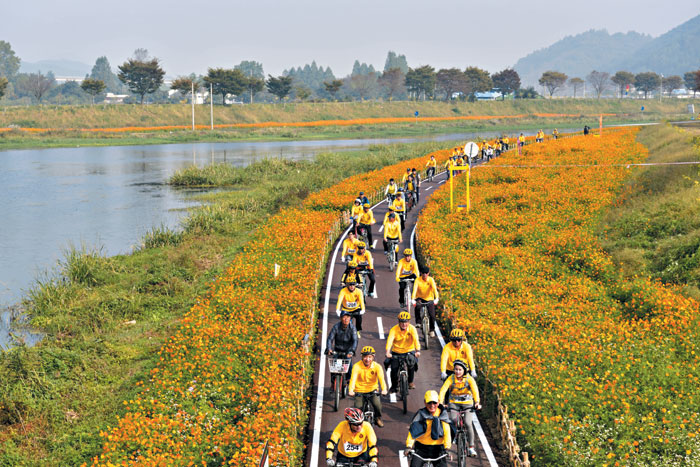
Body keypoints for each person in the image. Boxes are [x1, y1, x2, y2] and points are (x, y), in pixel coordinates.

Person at [438, 360, 480, 458]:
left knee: (468, 422)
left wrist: (477, 402)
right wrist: (440, 402)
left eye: (460, 370)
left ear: (464, 371)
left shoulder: (469, 379)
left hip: (467, 404)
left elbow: (475, 390)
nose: (457, 372)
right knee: (453, 419)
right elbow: (443, 389)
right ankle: (456, 435)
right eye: (456, 369)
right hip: (454, 404)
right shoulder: (450, 378)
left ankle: (471, 447)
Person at [405, 390, 452, 467]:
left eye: (434, 403)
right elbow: (413, 432)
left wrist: (447, 449)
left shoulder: (442, 415)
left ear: (439, 402)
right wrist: (409, 446)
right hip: (421, 449)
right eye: (429, 403)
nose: (432, 405)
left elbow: (447, 433)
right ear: (425, 402)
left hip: (438, 449)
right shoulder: (420, 415)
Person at [349, 346, 388, 427]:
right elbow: (353, 379)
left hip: (372, 390)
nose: (367, 359)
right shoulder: (356, 366)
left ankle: (378, 418)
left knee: (377, 405)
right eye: (365, 357)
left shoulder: (377, 367)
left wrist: (384, 389)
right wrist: (351, 390)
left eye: (370, 357)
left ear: (373, 357)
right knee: (358, 409)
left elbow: (382, 379)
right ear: (362, 357)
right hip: (360, 390)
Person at [385, 311, 420, 391]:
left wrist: (417, 351)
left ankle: (410, 382)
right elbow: (389, 341)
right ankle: (394, 386)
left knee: (411, 364)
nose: (404, 324)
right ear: (399, 322)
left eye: (406, 322)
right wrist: (388, 352)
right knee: (394, 369)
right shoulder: (394, 329)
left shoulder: (412, 329)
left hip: (409, 351)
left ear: (409, 322)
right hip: (396, 352)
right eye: (402, 322)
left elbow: (416, 340)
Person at [327, 310, 358, 384]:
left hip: (348, 350)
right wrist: (329, 348)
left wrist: (352, 351)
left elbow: (355, 341)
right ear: (341, 318)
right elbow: (330, 338)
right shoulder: (336, 327)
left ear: (350, 318)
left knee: (349, 364)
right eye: (344, 317)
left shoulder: (352, 328)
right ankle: (332, 382)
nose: (346, 319)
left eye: (348, 317)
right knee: (333, 366)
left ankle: (348, 379)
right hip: (337, 349)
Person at [411, 267, 439, 337]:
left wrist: (436, 298)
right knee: (417, 306)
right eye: (423, 273)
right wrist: (413, 299)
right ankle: (418, 322)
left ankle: (432, 330)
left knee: (432, 315)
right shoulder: (417, 280)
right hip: (420, 297)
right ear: (421, 273)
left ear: (428, 273)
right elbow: (414, 290)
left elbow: (435, 290)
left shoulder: (431, 280)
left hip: (429, 298)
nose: (424, 275)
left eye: (426, 273)